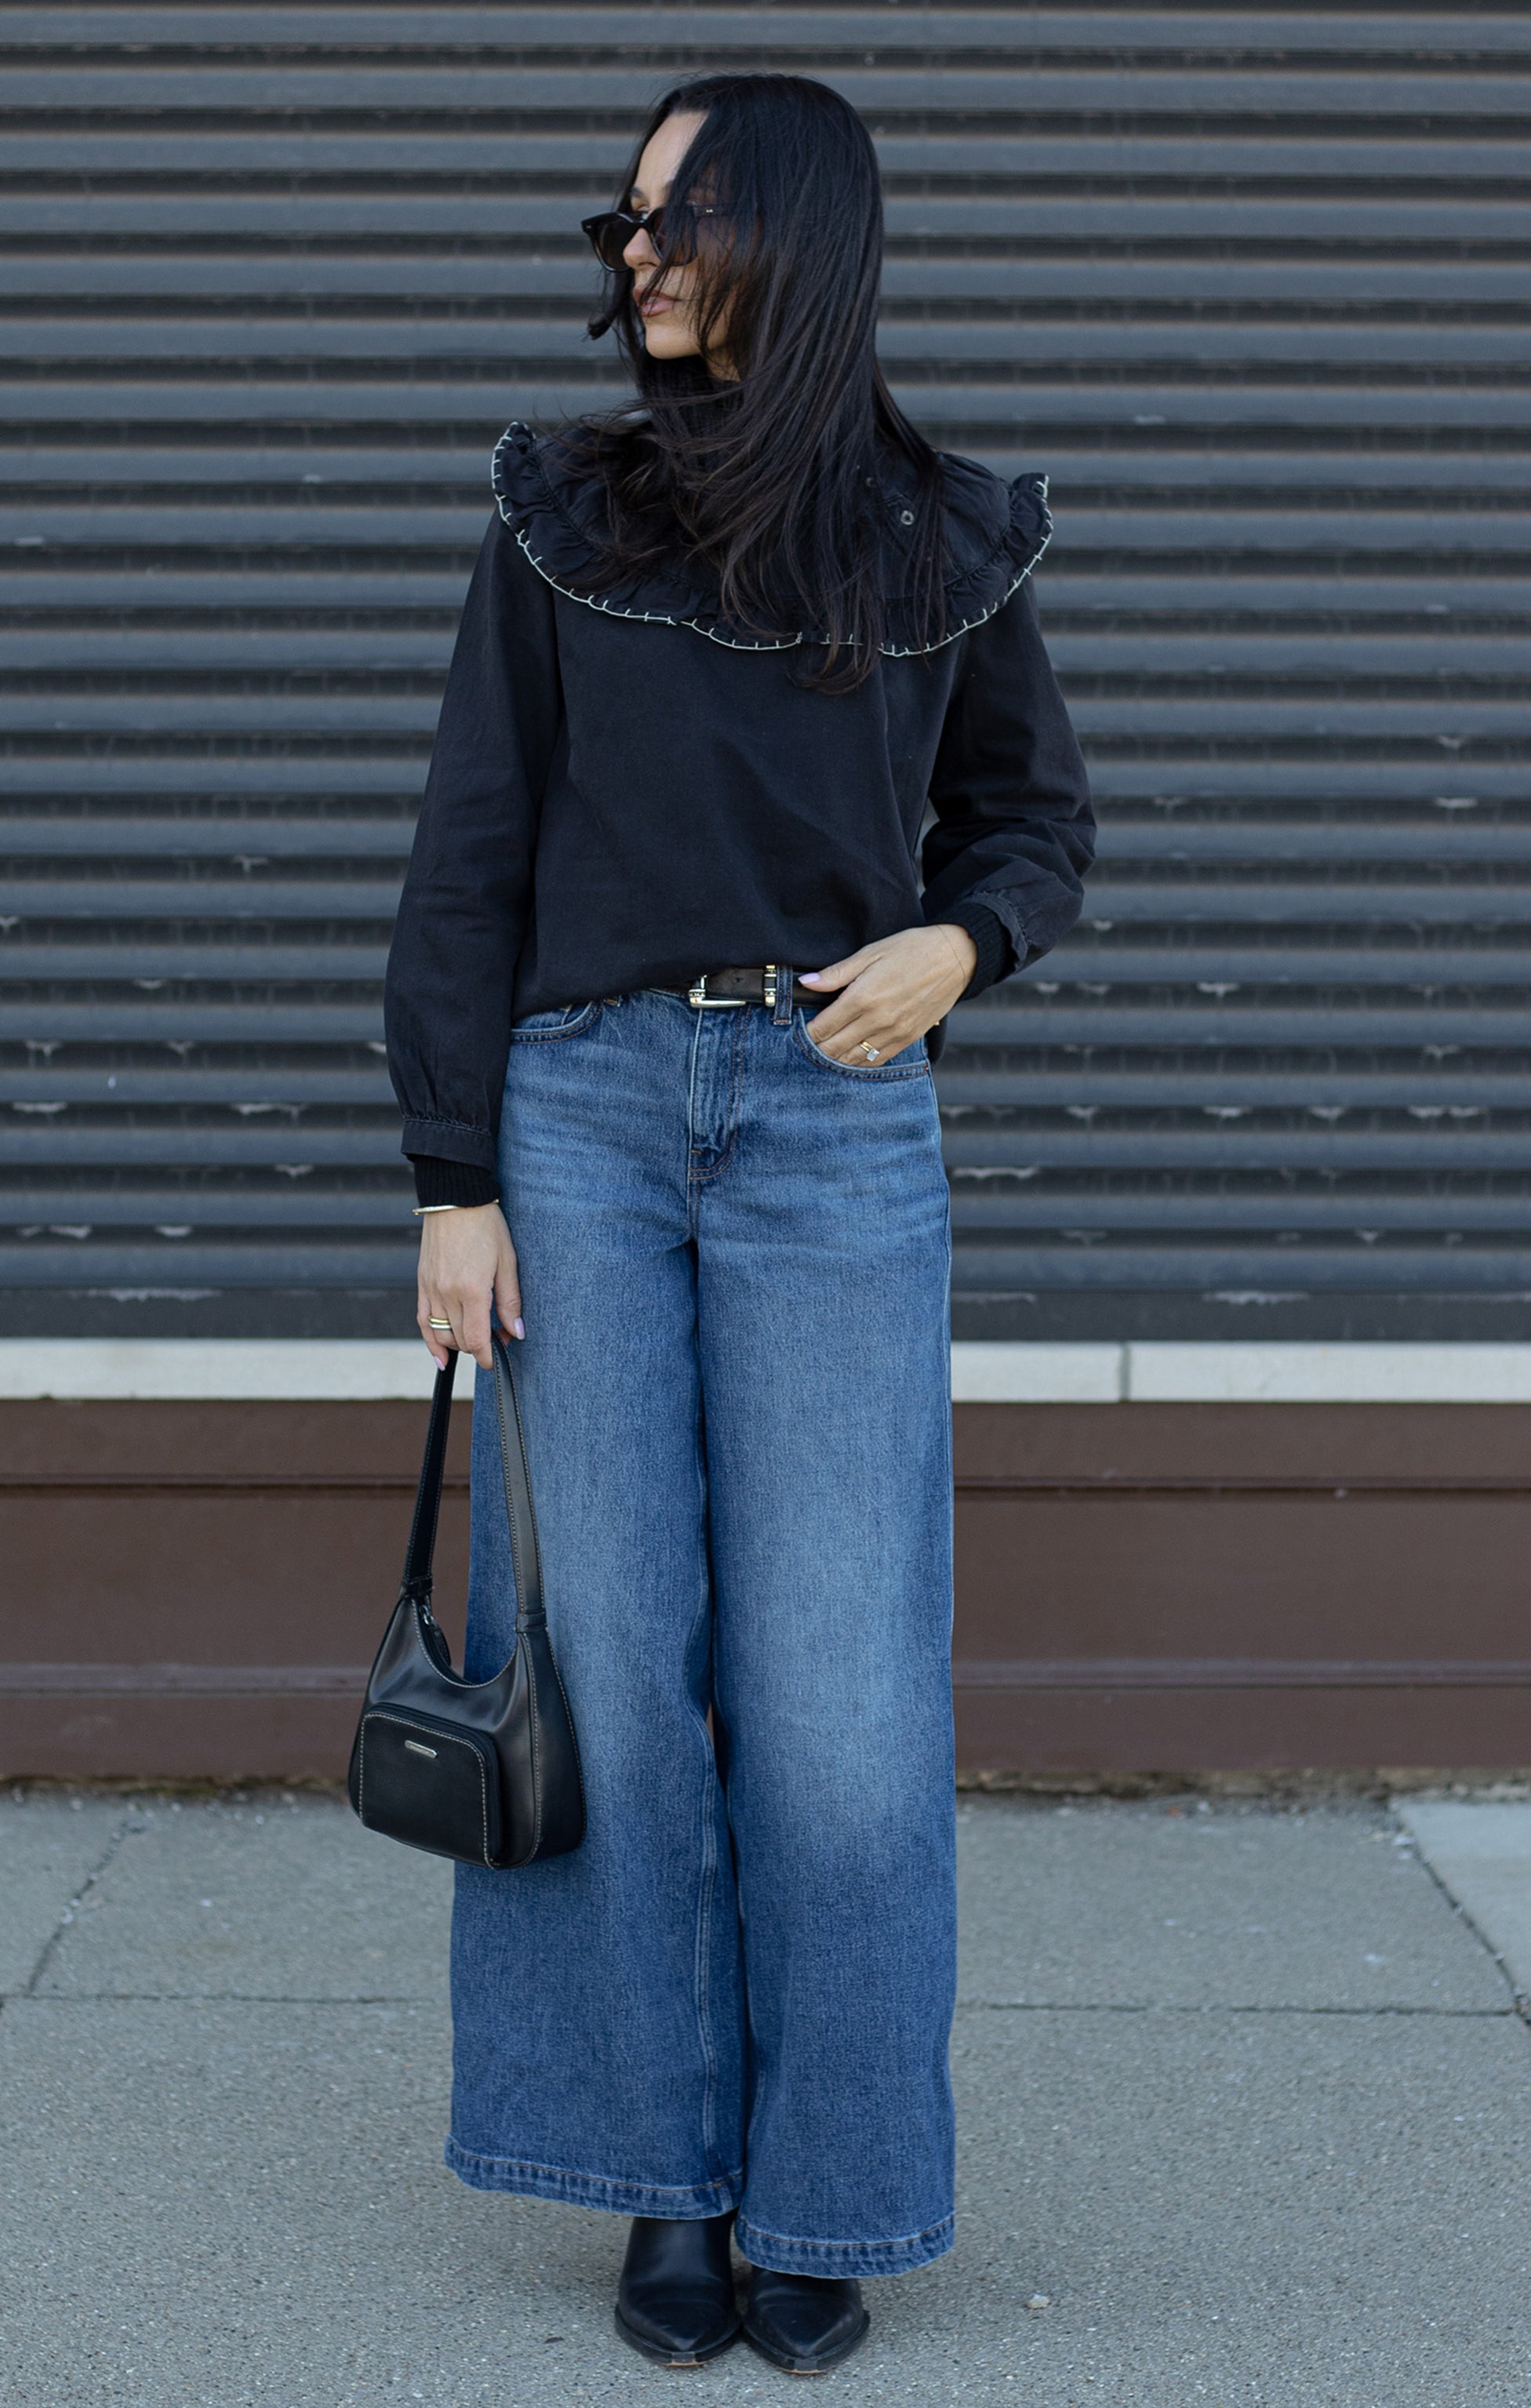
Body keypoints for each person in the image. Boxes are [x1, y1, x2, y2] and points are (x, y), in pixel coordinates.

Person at [383, 70, 1092, 2378]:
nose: (638, 253)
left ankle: (831, 2195)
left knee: (846, 1705)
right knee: (607, 1675)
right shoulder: (563, 516)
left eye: (678, 215)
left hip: (832, 1125)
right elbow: (471, 851)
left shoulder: (941, 538)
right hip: (576, 1125)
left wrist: (958, 945)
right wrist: (453, 1180)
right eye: (626, 217)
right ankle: (659, 2181)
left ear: (801, 234)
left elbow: (1031, 824)